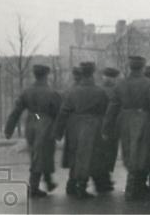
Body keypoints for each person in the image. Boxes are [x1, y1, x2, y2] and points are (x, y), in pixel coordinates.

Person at [102, 56, 150, 200]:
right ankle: (135, 186)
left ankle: (133, 185)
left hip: (124, 120)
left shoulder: (120, 85)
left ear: (130, 67)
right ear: (142, 67)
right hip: (144, 120)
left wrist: (106, 128)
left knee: (129, 151)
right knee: (142, 152)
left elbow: (112, 108)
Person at [4, 64, 62, 198]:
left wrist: (9, 129)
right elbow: (59, 113)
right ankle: (34, 187)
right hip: (46, 124)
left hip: (31, 123)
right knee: (43, 154)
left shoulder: (26, 91)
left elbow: (16, 111)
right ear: (46, 75)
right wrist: (59, 130)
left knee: (37, 154)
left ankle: (48, 182)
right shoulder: (52, 93)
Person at [53, 62, 109, 199]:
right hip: (93, 127)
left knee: (75, 155)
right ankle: (81, 187)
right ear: (93, 73)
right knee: (88, 157)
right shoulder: (100, 92)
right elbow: (106, 111)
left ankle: (71, 184)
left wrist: (58, 132)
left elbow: (63, 112)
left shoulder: (72, 91)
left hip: (73, 127)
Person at [92, 67, 121, 194]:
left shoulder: (97, 90)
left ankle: (104, 180)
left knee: (100, 154)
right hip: (111, 126)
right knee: (108, 154)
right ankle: (103, 182)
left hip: (98, 125)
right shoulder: (116, 91)